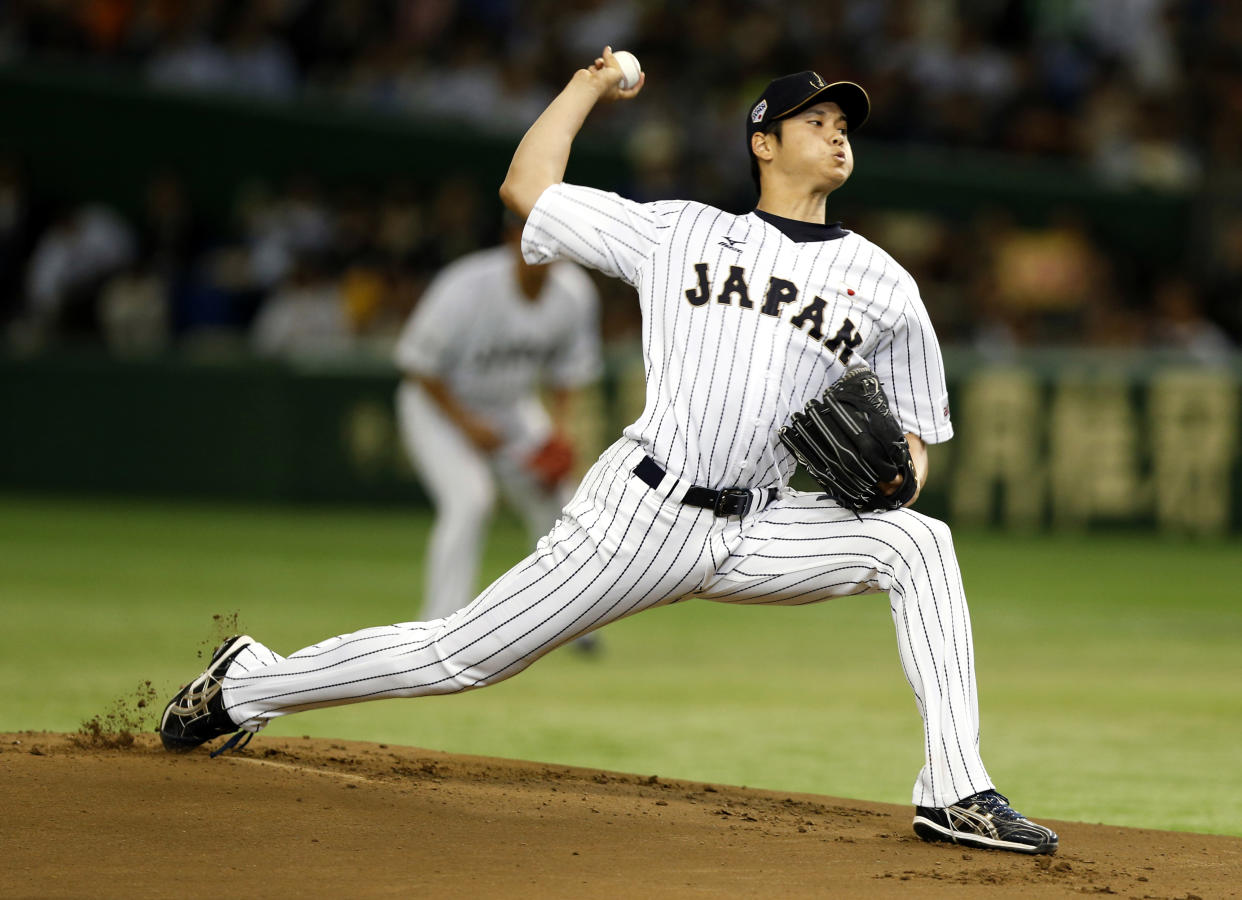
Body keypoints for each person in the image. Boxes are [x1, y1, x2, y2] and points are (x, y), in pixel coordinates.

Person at [160, 50, 1058, 856]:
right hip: (642, 512)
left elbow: (915, 436)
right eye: (814, 120)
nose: (835, 134)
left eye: (843, 124)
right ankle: (249, 685)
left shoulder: (886, 284)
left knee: (919, 543)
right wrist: (589, 85)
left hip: (760, 524)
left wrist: (900, 478)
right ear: (762, 143)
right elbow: (527, 188)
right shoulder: (681, 232)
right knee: (461, 656)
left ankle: (955, 792)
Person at [393, 219, 603, 633]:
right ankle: (437, 625)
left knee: (564, 499)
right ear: (511, 239)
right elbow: (416, 362)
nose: (545, 250)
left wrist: (559, 433)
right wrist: (465, 424)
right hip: (438, 408)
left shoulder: (574, 293)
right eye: (533, 236)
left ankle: (569, 624)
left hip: (511, 409)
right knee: (470, 499)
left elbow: (569, 372)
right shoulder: (466, 286)